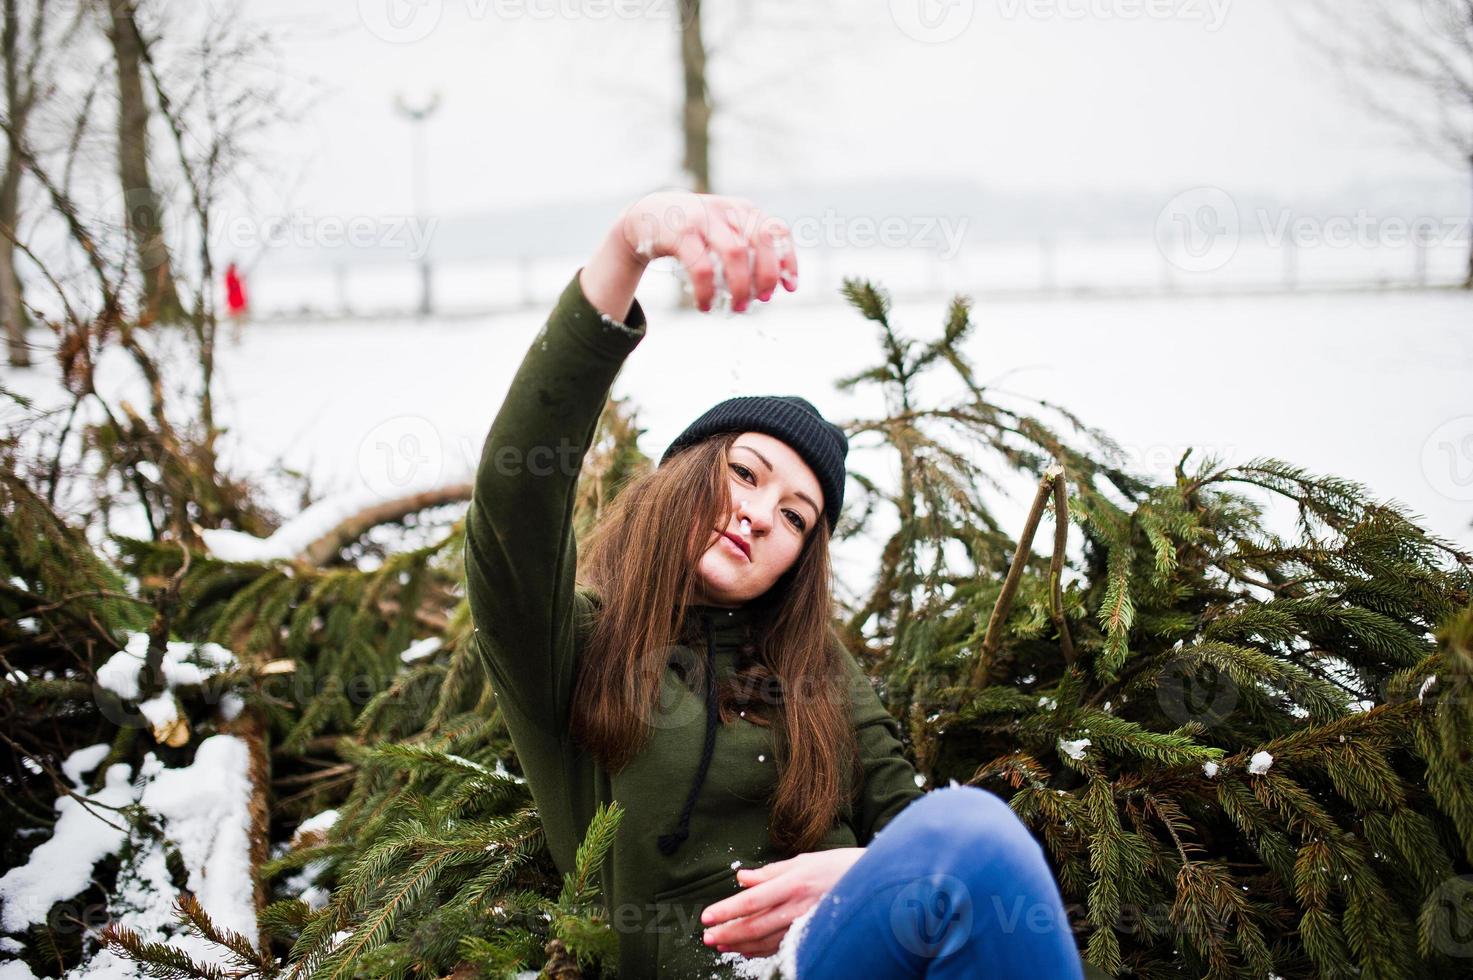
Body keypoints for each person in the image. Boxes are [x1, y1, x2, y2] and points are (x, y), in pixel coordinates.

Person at [463, 192, 1087, 979]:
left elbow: (917, 837)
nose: (759, 516)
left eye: (795, 517)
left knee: (975, 834)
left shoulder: (814, 669)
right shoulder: (579, 644)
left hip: (848, 953)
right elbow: (514, 505)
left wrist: (857, 874)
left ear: (800, 558)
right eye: (744, 474)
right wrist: (627, 245)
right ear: (684, 475)